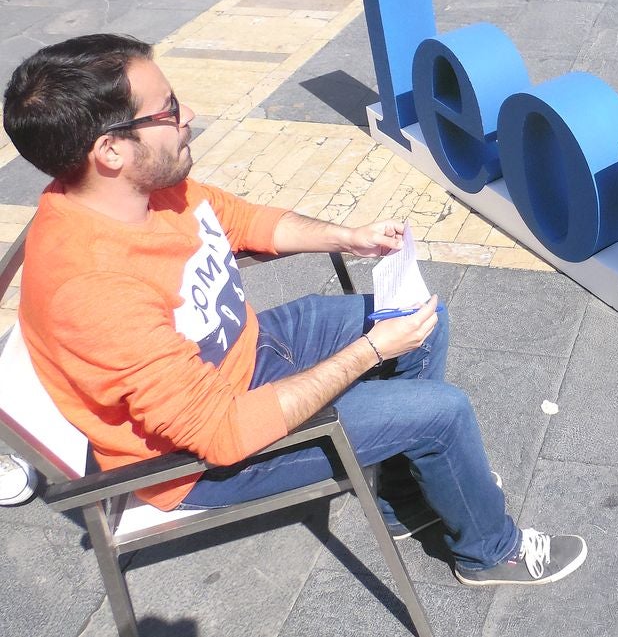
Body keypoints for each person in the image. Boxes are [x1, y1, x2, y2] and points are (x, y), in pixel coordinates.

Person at [1, 35, 586, 586]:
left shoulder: (141, 188)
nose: (190, 117)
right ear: (110, 150)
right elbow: (222, 434)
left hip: (245, 359)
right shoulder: (93, 289)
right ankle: (489, 553)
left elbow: (238, 220)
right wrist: (371, 352)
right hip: (201, 458)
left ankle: (405, 497)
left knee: (422, 319)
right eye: (170, 109)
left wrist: (347, 236)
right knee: (442, 411)